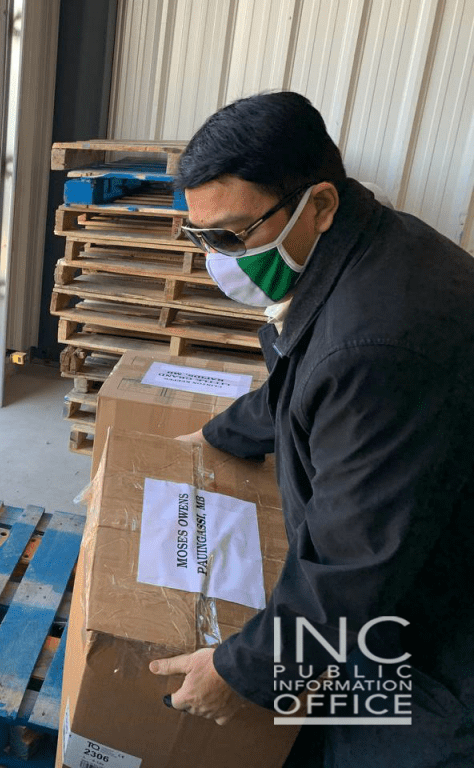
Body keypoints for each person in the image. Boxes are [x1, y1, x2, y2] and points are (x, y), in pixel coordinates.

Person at [147, 91, 474, 766]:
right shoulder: (367, 248)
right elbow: (300, 386)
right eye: (201, 237)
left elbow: (356, 562)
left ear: (318, 204)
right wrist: (214, 438)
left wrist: (244, 672)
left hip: (439, 660)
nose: (218, 260)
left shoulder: (379, 341)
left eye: (233, 236)